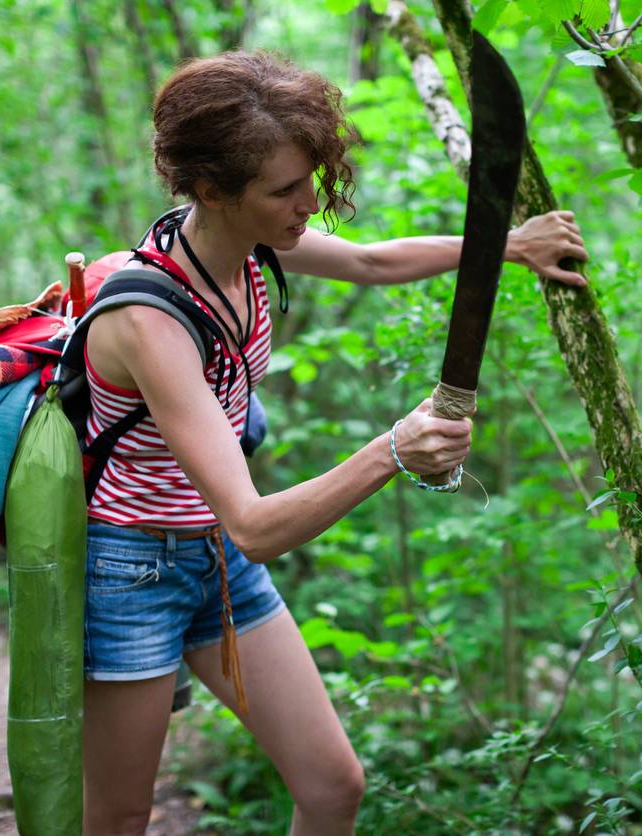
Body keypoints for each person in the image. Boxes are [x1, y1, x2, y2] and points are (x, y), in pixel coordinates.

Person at [81, 50, 588, 835]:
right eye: (284, 190)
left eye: (310, 178)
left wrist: (507, 245)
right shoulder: (148, 320)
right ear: (211, 190)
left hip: (214, 559)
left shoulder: (248, 247)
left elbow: (368, 260)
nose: (308, 203)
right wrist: (393, 450)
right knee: (118, 819)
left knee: (332, 787)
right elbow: (256, 525)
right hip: (131, 568)